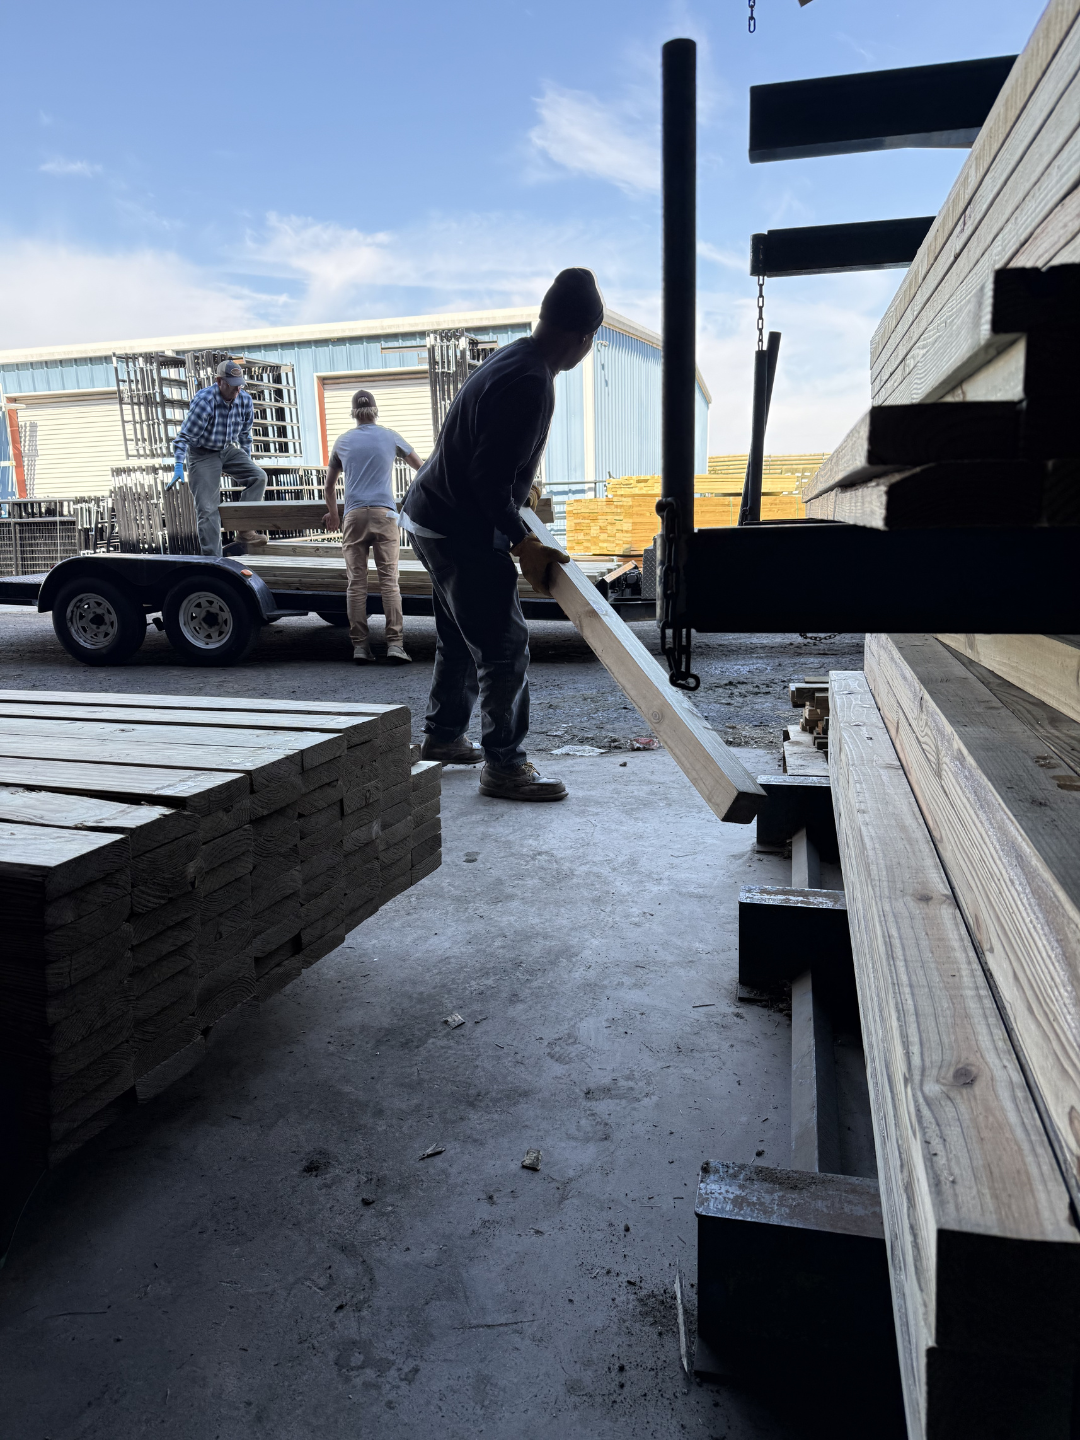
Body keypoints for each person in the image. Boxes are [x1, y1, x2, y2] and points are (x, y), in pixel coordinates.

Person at [400, 267, 604, 802]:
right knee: (504, 647)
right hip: (457, 525)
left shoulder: (514, 357)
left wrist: (520, 490)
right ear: (584, 337)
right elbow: (486, 479)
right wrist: (521, 539)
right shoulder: (531, 381)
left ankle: (444, 737)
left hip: (430, 516)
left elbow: (486, 456)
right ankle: (505, 765)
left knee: (460, 635)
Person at [322, 390, 421, 664]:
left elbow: (329, 486)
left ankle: (360, 647)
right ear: (375, 411)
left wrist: (333, 514)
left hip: (354, 516)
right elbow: (422, 468)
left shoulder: (343, 441)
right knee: (389, 582)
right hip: (384, 515)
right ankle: (395, 645)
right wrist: (413, 498)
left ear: (353, 413)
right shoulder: (390, 436)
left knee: (356, 584)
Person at [172, 359, 267, 557]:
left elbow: (245, 435)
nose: (237, 389)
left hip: (227, 449)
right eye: (232, 385)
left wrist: (246, 458)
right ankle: (213, 559)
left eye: (240, 385)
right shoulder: (205, 401)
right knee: (208, 509)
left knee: (258, 477)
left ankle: (245, 531)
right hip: (202, 453)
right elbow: (184, 436)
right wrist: (179, 463)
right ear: (219, 381)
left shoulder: (244, 400)